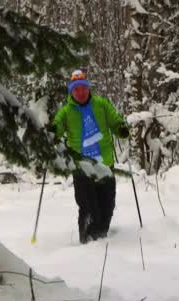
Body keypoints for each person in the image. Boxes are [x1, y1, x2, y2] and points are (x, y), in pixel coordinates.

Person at [52, 70, 130, 243]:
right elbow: (56, 128)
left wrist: (121, 129)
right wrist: (50, 131)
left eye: (83, 88)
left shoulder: (101, 104)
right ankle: (87, 242)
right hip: (82, 168)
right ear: (71, 92)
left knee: (107, 205)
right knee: (87, 207)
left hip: (105, 164)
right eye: (76, 89)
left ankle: (102, 237)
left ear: (88, 89)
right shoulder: (66, 112)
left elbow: (115, 121)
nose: (80, 92)